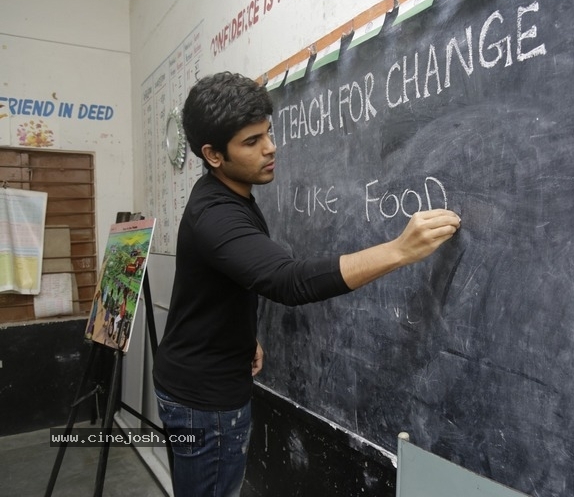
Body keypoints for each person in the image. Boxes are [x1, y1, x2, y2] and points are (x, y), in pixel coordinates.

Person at [153, 71, 461, 496]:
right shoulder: (217, 215)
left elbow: (220, 284)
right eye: (251, 141)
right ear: (213, 154)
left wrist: (241, 337)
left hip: (200, 379)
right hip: (204, 405)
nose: (270, 148)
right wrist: (400, 250)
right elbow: (288, 281)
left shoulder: (225, 194)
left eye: (269, 133)